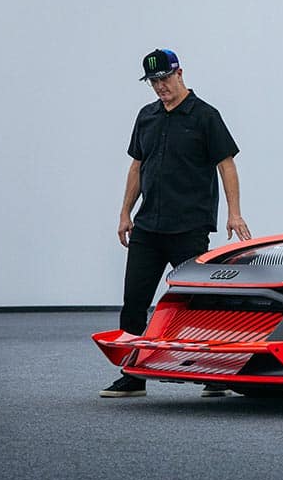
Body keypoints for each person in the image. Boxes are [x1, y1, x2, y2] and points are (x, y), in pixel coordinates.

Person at [100, 48, 251, 398]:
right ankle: (133, 376)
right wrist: (125, 212)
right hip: (147, 228)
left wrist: (234, 212)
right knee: (134, 303)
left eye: (165, 78)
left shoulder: (205, 116)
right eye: (153, 82)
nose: (160, 87)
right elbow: (137, 166)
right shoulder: (147, 116)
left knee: (199, 303)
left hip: (188, 227)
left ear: (180, 73)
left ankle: (214, 375)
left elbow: (226, 164)